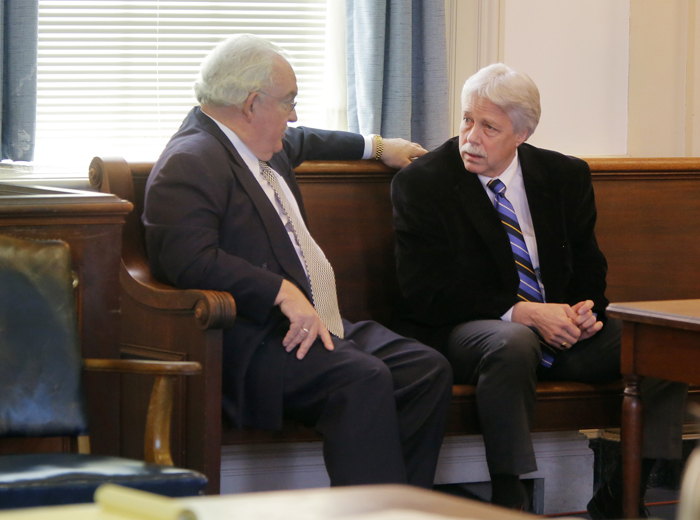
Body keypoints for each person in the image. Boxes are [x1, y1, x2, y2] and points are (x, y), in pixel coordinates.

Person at [143, 34, 453, 488]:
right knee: (361, 377)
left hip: (317, 323)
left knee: (426, 369)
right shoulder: (190, 161)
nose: (293, 116)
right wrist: (278, 290)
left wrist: (380, 146)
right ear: (251, 104)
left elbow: (310, 140)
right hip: (254, 341)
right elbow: (187, 259)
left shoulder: (261, 142)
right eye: (288, 102)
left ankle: (403, 505)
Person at [391, 63, 688, 514]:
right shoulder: (423, 183)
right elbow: (424, 290)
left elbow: (589, 264)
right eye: (467, 119)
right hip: (470, 331)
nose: (471, 136)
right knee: (514, 340)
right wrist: (525, 313)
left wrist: (587, 311)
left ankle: (624, 491)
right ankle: (511, 496)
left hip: (563, 331)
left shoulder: (564, 176)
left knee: (661, 344)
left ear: (522, 134)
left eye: (489, 127)